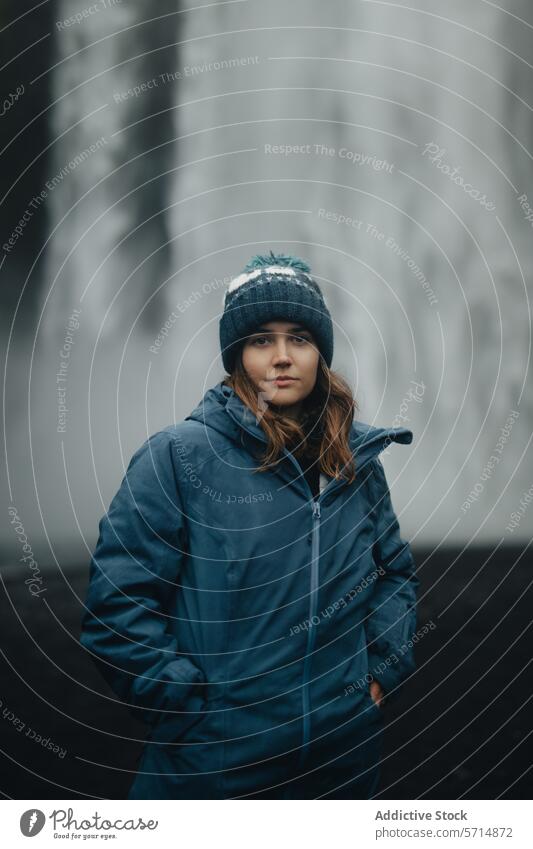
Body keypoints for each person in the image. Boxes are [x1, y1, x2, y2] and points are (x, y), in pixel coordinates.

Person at [80, 251, 419, 799]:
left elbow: (393, 575)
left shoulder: (355, 462)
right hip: (212, 771)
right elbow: (118, 607)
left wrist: (377, 675)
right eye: (261, 339)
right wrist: (192, 717)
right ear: (237, 354)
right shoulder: (178, 457)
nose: (282, 357)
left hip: (341, 765)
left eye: (299, 338)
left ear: (321, 354)